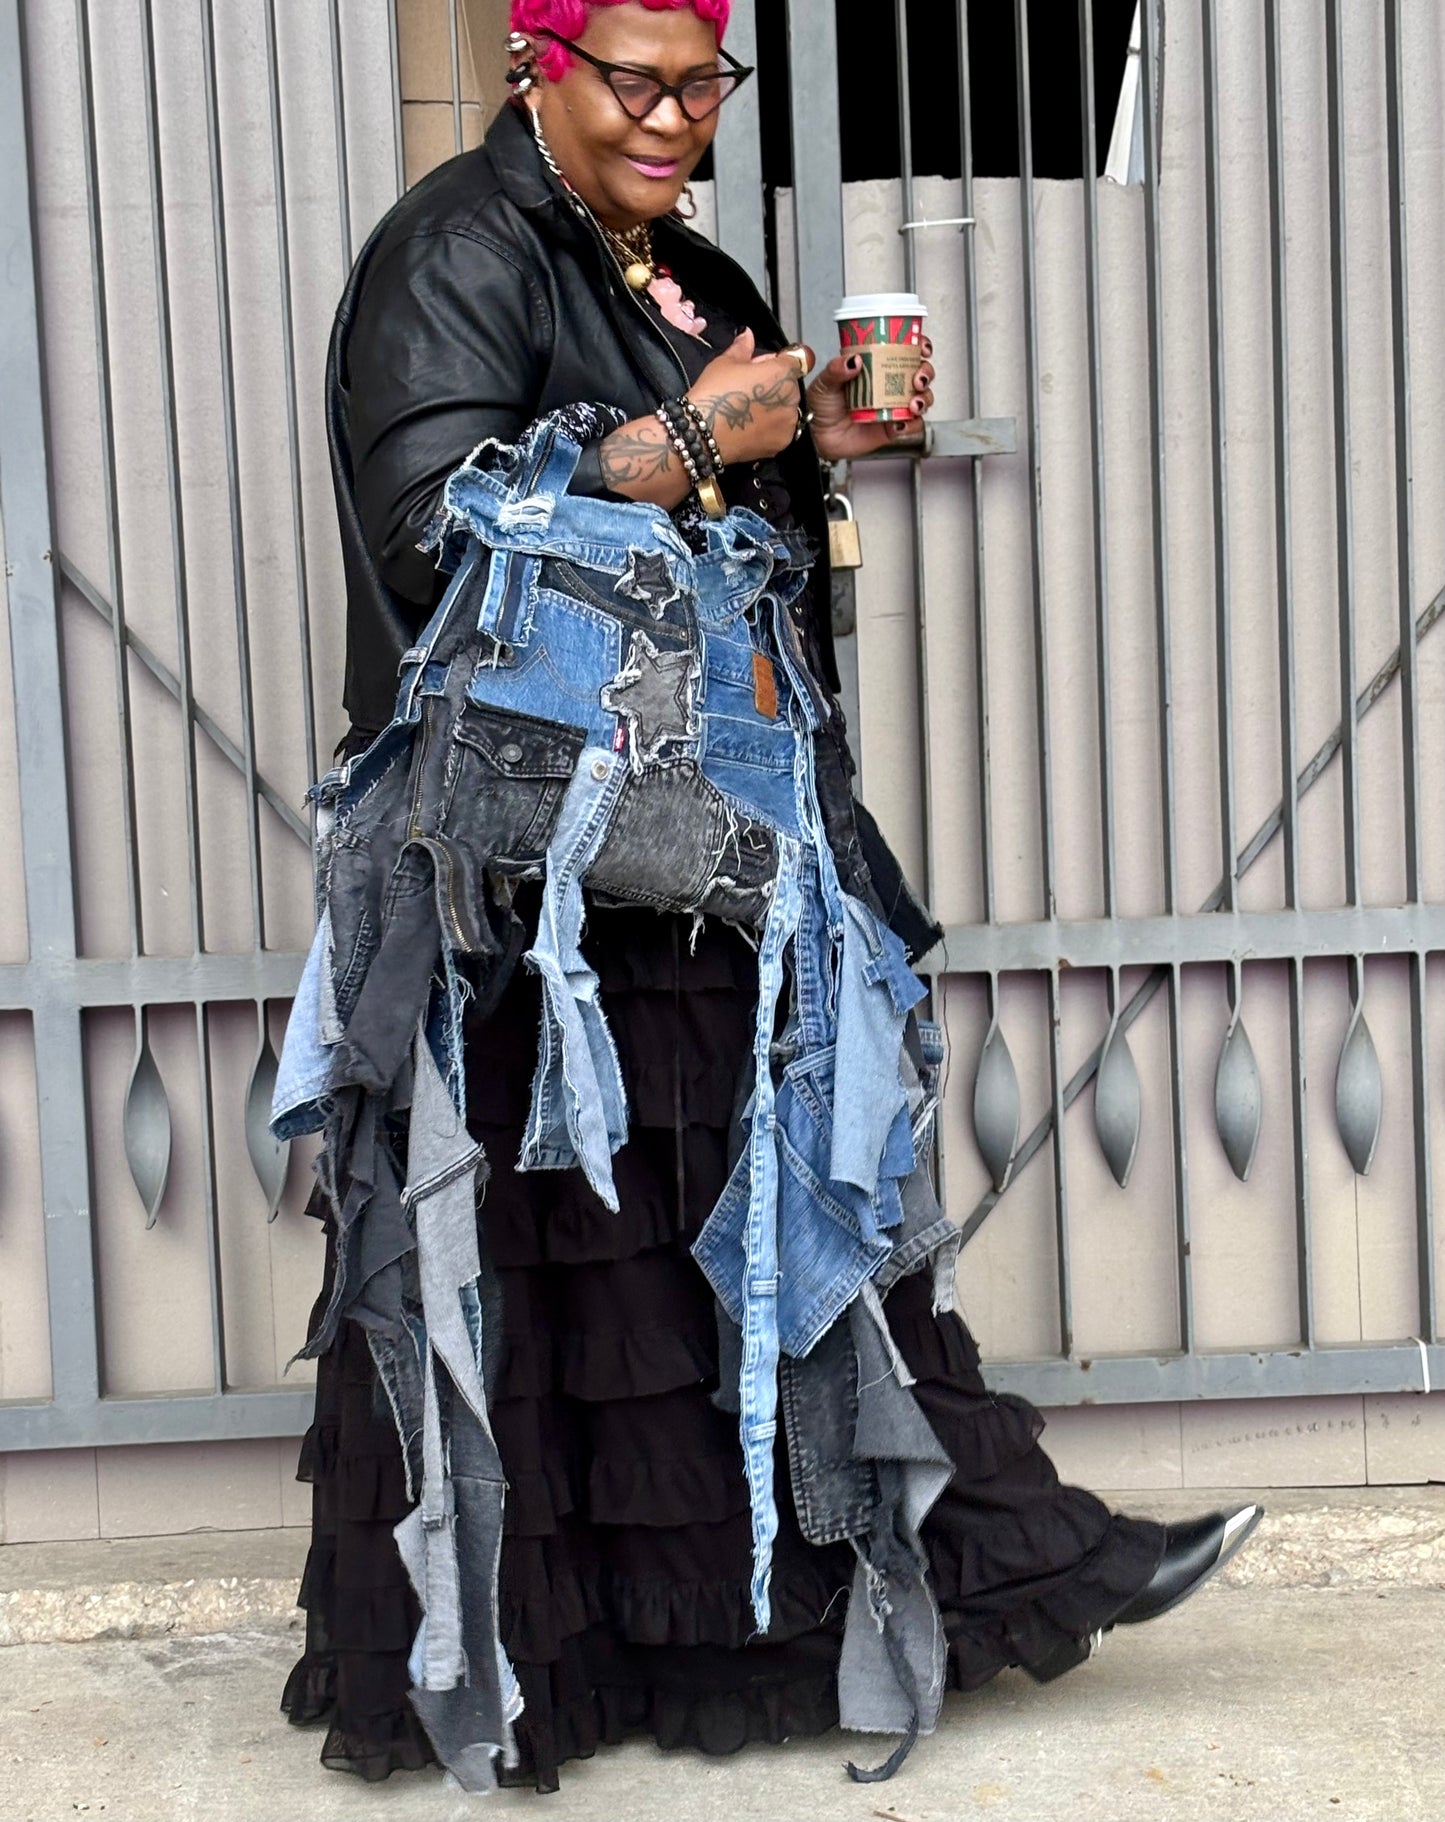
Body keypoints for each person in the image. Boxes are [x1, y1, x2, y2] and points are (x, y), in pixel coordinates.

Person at [280, 0, 1262, 1794]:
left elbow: (701, 506)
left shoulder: (679, 255)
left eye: (700, 81)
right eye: (630, 78)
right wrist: (682, 431)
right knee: (542, 1275)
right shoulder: (457, 244)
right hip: (525, 891)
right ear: (536, 64)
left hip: (694, 850)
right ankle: (593, 1659)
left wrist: (802, 433)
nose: (670, 113)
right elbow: (434, 530)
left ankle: (958, 1572)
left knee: (745, 1245)